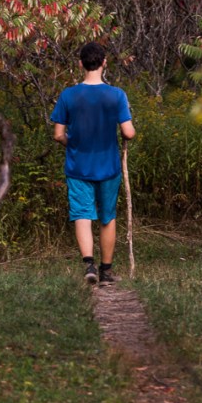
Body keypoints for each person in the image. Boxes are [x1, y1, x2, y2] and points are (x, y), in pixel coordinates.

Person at [51, 42, 135, 284]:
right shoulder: (116, 95)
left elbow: (58, 134)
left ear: (80, 64)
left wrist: (75, 145)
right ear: (104, 62)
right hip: (108, 167)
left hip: (78, 166)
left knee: (82, 215)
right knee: (107, 217)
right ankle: (106, 272)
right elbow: (128, 133)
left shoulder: (68, 95)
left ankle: (89, 265)